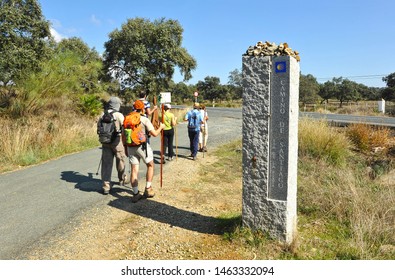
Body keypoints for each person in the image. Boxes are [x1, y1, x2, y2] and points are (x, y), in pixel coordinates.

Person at [126, 100, 165, 203]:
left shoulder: (127, 118)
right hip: (142, 146)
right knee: (150, 165)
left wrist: (126, 148)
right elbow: (155, 134)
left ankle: (135, 194)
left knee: (134, 169)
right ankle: (148, 189)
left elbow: (123, 136)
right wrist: (161, 127)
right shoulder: (144, 119)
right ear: (142, 108)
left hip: (130, 146)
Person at [97, 96, 127, 195]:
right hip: (117, 142)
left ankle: (106, 186)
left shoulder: (102, 114)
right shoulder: (119, 115)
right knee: (120, 161)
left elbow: (98, 128)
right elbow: (125, 128)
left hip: (105, 142)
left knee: (106, 164)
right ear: (117, 105)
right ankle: (122, 179)